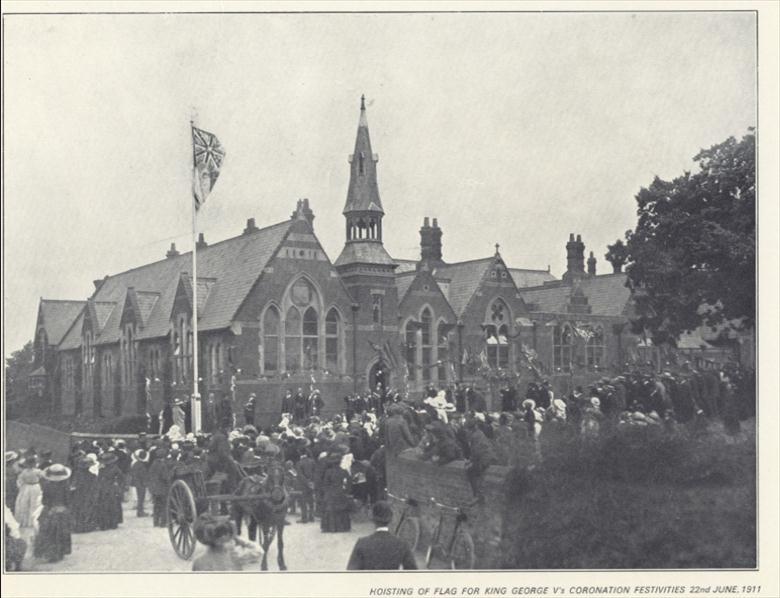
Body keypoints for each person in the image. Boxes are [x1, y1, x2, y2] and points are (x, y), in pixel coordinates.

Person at [347, 500, 418, 570]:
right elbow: (413, 572)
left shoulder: (362, 543)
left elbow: (351, 573)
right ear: (390, 519)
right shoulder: (402, 544)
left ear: (372, 519)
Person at [34, 464, 72, 563]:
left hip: (50, 511)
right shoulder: (65, 486)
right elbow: (68, 500)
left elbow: (44, 501)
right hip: (63, 511)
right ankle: (61, 551)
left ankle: (50, 552)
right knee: (62, 531)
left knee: (48, 532)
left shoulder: (47, 486)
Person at [320, 445, 353, 533]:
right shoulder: (344, 471)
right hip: (341, 493)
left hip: (330, 493)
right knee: (342, 510)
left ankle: (330, 527)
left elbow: (325, 484)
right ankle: (343, 527)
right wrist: (346, 491)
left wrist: (326, 492)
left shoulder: (328, 472)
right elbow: (349, 482)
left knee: (330, 509)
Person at [70, 454, 100, 533]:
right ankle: (87, 526)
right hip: (89, 495)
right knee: (88, 510)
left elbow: (73, 486)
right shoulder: (92, 476)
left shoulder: (77, 475)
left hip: (78, 495)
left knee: (78, 510)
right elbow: (96, 487)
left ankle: (78, 526)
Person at [96, 451, 124, 530]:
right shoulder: (115, 468)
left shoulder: (101, 468)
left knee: (104, 506)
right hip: (112, 488)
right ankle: (113, 523)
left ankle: (104, 523)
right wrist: (119, 485)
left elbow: (98, 478)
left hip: (103, 488)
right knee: (113, 506)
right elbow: (121, 478)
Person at [14, 457, 42, 529]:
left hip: (32, 487)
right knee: (26, 504)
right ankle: (27, 521)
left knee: (33, 503)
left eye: (31, 463)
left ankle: (31, 521)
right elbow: (20, 480)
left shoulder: (36, 471)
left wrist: (21, 486)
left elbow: (20, 480)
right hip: (30, 487)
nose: (30, 465)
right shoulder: (26, 471)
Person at [148, 447, 170, 528]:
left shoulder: (154, 463)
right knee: (164, 505)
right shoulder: (162, 465)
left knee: (156, 505)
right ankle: (163, 523)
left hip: (154, 488)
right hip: (162, 488)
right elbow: (165, 477)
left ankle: (155, 522)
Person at [130, 449, 150, 517]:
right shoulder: (141, 465)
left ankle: (140, 511)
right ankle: (140, 512)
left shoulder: (136, 464)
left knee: (140, 498)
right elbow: (142, 475)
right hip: (141, 483)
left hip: (137, 483)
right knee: (141, 498)